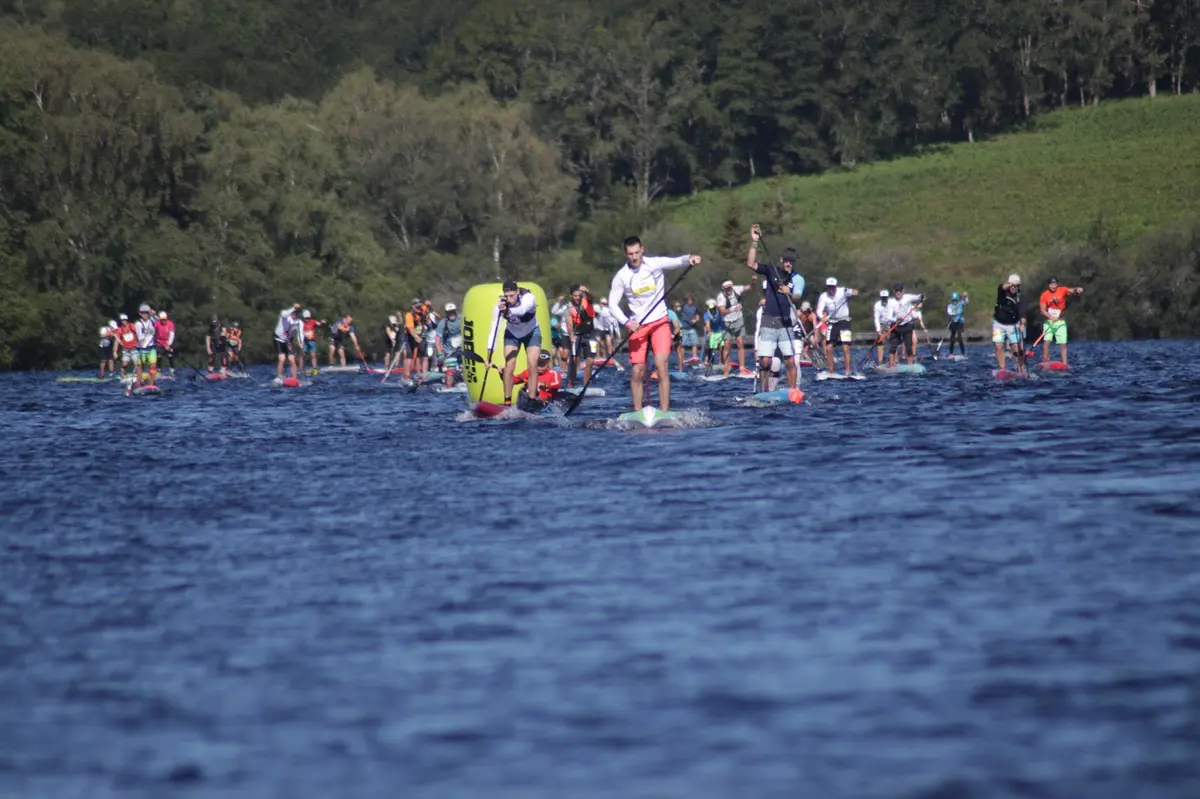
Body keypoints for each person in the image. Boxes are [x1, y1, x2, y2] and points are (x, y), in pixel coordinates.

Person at [608, 236, 700, 411]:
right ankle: (637, 412)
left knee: (661, 365)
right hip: (638, 326)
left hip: (659, 321)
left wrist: (690, 259)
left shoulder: (654, 264)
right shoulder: (622, 276)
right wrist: (627, 322)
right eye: (630, 254)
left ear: (642, 249)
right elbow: (612, 304)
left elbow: (676, 262)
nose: (634, 257)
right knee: (638, 371)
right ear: (625, 254)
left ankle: (664, 411)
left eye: (637, 252)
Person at [745, 226, 798, 389]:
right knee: (766, 360)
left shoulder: (796, 278)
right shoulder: (771, 270)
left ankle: (793, 391)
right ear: (782, 261)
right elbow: (751, 263)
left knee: (790, 359)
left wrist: (790, 293)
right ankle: (764, 391)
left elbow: (798, 297)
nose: (788, 263)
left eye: (791, 261)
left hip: (786, 323)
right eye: (786, 260)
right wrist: (755, 242)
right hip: (769, 320)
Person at [487, 280, 542, 406]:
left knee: (532, 363)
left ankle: (531, 400)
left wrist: (508, 311)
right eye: (506, 296)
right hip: (512, 334)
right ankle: (507, 401)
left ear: (517, 292)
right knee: (509, 365)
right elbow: (493, 332)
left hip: (532, 332)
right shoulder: (499, 307)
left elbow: (522, 310)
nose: (509, 299)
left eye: (512, 295)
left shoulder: (528, 298)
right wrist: (488, 356)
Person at [815, 276, 860, 376]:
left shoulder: (842, 291)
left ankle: (847, 371)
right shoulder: (823, 296)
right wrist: (822, 317)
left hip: (844, 321)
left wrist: (854, 292)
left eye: (833, 287)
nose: (831, 290)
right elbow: (819, 311)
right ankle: (831, 372)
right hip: (832, 323)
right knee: (828, 348)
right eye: (829, 287)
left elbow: (852, 291)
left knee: (845, 348)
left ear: (836, 286)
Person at [1039, 276, 1083, 365]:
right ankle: (1045, 361)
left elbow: (1072, 291)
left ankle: (1064, 363)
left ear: (1057, 284)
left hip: (1060, 321)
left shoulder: (1062, 290)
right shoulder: (1044, 295)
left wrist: (1078, 289)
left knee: (1063, 343)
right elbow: (1042, 310)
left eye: (1054, 284)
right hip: (1049, 322)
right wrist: (1050, 317)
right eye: (1051, 284)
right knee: (1047, 341)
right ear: (1048, 285)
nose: (1053, 286)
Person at [716, 279, 753, 374]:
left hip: (738, 320)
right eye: (727, 288)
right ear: (723, 288)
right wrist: (733, 309)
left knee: (740, 343)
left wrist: (753, 282)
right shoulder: (721, 297)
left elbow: (750, 288)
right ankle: (726, 369)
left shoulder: (737, 289)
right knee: (727, 345)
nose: (729, 289)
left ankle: (742, 368)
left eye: (730, 287)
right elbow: (722, 311)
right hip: (727, 323)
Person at [993, 274, 1027, 373]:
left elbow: (1023, 313)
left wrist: (1022, 324)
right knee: (998, 346)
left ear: (1018, 286)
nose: (1013, 288)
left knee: (1017, 348)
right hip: (998, 324)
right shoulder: (1002, 292)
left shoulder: (1021, 297)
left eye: (1015, 286)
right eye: (1011, 285)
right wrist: (1010, 283)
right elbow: (1002, 286)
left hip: (1013, 325)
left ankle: (1021, 369)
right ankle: (1002, 370)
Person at [885, 284, 925, 366]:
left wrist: (921, 297)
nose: (898, 293)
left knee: (908, 346)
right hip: (896, 326)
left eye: (900, 291)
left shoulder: (908, 297)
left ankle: (910, 365)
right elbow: (889, 317)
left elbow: (918, 297)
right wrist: (895, 320)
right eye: (896, 291)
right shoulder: (891, 302)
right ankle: (891, 365)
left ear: (903, 291)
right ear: (894, 292)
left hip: (907, 325)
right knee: (893, 347)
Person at [566, 284, 596, 388]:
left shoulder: (587, 301)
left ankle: (586, 385)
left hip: (590, 335)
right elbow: (569, 323)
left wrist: (586, 291)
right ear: (571, 296)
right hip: (577, 335)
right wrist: (571, 335)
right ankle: (571, 382)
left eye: (579, 296)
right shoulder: (569, 308)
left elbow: (591, 296)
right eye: (575, 296)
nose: (578, 298)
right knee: (575, 359)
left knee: (590, 361)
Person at [274, 304, 303, 380]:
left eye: (295, 314)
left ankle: (294, 378)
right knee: (282, 358)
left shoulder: (298, 322)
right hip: (278, 339)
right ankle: (280, 376)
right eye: (293, 314)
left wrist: (301, 342)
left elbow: (300, 332)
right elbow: (284, 314)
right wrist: (293, 308)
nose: (294, 315)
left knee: (292, 360)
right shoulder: (284, 315)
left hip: (288, 341)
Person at [436, 303, 462, 387]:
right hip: (449, 351)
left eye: (453, 312)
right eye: (449, 312)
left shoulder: (461, 319)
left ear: (455, 311)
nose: (451, 314)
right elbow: (437, 340)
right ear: (446, 313)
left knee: (465, 367)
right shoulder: (442, 323)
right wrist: (440, 354)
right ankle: (449, 386)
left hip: (461, 349)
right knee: (451, 369)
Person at [403, 298, 428, 380]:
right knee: (409, 355)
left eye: (419, 306)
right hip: (410, 336)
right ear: (412, 306)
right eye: (416, 306)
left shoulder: (423, 309)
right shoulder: (409, 315)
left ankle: (424, 376)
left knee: (424, 354)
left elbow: (427, 305)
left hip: (421, 334)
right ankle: (407, 376)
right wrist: (416, 337)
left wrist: (428, 304)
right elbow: (410, 329)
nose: (419, 308)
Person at [134, 304, 158, 387]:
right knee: (140, 367)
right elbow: (140, 337)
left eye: (146, 313)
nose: (145, 315)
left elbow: (158, 321)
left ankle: (151, 384)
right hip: (141, 348)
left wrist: (154, 314)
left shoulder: (152, 320)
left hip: (151, 348)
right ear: (140, 314)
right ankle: (138, 384)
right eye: (143, 313)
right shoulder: (138, 324)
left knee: (153, 367)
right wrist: (143, 344)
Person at [702, 299, 725, 374]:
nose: (712, 310)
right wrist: (709, 331)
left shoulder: (720, 312)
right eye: (710, 308)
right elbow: (707, 324)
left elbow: (724, 321)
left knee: (722, 347)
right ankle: (710, 363)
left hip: (720, 331)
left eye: (713, 308)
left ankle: (721, 362)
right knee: (711, 349)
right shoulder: (706, 314)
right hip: (712, 332)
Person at [946, 291, 969, 356]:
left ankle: (963, 353)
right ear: (952, 300)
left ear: (957, 299)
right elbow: (949, 312)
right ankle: (950, 353)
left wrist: (965, 296)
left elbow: (966, 302)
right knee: (952, 338)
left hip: (960, 322)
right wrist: (952, 313)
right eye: (954, 300)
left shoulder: (961, 303)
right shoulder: (949, 306)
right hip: (953, 322)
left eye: (956, 300)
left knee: (959, 337)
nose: (955, 301)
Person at [114, 314, 137, 380]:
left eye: (124, 320)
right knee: (125, 364)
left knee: (136, 362)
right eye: (122, 320)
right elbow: (117, 341)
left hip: (134, 348)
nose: (123, 322)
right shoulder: (120, 330)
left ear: (127, 320)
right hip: (126, 350)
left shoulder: (132, 326)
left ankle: (136, 374)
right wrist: (115, 352)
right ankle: (122, 376)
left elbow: (139, 332)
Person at [154, 310, 176, 376]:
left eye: (165, 319)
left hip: (167, 342)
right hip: (159, 343)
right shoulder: (157, 324)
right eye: (162, 320)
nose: (163, 321)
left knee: (170, 356)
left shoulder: (170, 324)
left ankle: (172, 371)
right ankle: (159, 370)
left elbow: (172, 335)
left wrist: (168, 345)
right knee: (159, 356)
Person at [679, 294, 701, 362]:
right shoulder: (683, 306)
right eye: (688, 299)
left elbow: (698, 316)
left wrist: (696, 320)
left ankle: (694, 356)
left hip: (692, 328)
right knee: (683, 344)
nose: (690, 301)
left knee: (695, 343)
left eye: (691, 299)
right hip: (684, 328)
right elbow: (678, 311)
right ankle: (682, 358)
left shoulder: (695, 308)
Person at [872, 290, 890, 364]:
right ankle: (880, 362)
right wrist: (878, 330)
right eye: (883, 298)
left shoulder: (892, 303)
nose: (884, 299)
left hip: (891, 323)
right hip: (881, 324)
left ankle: (894, 361)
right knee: (880, 343)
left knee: (893, 342)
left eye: (885, 298)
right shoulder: (877, 305)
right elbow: (876, 318)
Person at [669, 301, 685, 367]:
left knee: (679, 348)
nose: (679, 307)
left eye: (679, 306)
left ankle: (680, 368)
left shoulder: (680, 312)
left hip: (679, 329)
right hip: (672, 329)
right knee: (669, 349)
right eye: (677, 306)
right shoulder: (671, 312)